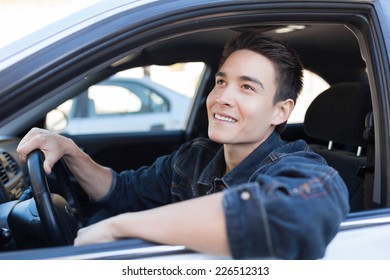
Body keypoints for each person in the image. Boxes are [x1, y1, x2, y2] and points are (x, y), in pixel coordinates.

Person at [17, 31, 349, 259]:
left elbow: (292, 217)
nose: (222, 98)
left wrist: (118, 228)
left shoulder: (300, 166)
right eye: (221, 82)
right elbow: (120, 191)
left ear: (281, 110)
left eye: (247, 88)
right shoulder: (196, 156)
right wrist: (71, 151)